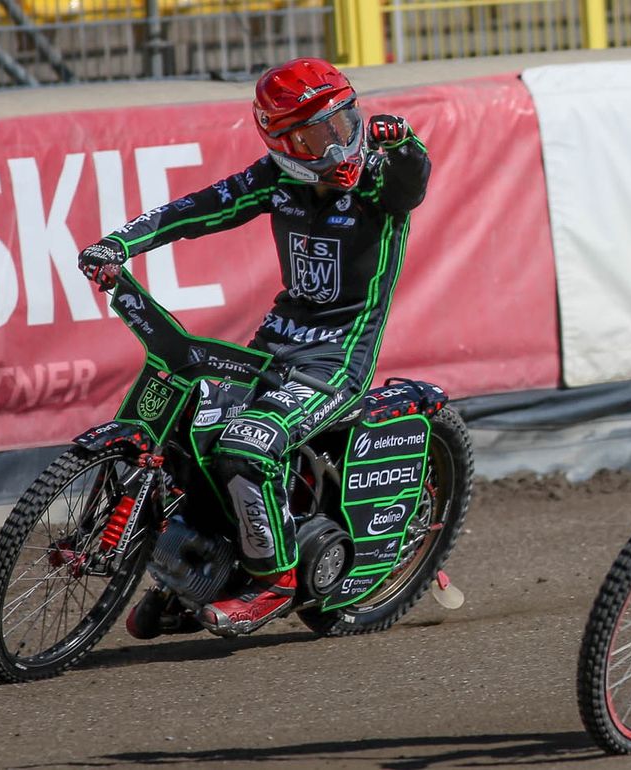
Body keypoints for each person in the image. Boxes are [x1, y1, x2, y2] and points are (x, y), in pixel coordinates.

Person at [78, 57, 431, 636]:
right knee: (189, 433)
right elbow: (195, 210)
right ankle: (209, 572)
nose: (338, 144)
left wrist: (408, 140)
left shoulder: (377, 181)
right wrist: (118, 243)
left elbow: (411, 182)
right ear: (282, 141)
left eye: (345, 123)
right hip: (273, 345)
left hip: (339, 359)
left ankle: (276, 582)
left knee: (249, 446)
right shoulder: (276, 179)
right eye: (318, 134)